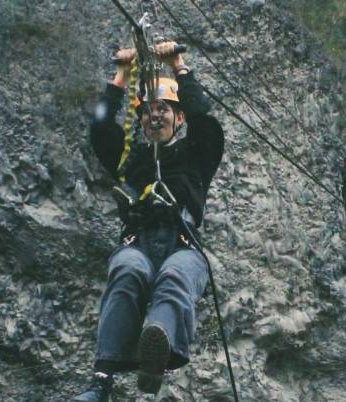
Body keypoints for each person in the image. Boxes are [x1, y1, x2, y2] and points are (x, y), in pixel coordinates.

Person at [73, 41, 224, 402]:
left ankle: (157, 352)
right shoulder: (132, 159)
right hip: (139, 241)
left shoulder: (196, 155)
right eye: (148, 111)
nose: (155, 116)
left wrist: (178, 65)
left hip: (182, 244)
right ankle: (101, 382)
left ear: (179, 117)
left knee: (174, 278)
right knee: (126, 269)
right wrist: (121, 77)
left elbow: (205, 120)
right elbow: (100, 128)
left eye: (164, 110)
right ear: (140, 119)